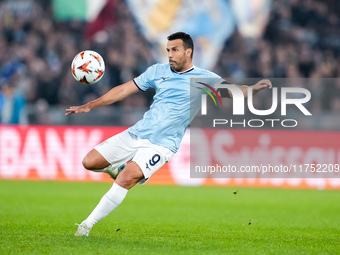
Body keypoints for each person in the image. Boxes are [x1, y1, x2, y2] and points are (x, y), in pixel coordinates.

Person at [66, 32, 272, 236]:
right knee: (89, 162)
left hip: (162, 145)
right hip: (137, 133)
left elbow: (235, 91)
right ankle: (115, 169)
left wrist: (254, 88)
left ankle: (86, 225)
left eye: (175, 50)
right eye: (168, 50)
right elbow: (123, 90)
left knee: (127, 178)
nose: (170, 55)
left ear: (188, 52)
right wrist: (90, 105)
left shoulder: (203, 78)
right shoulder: (157, 71)